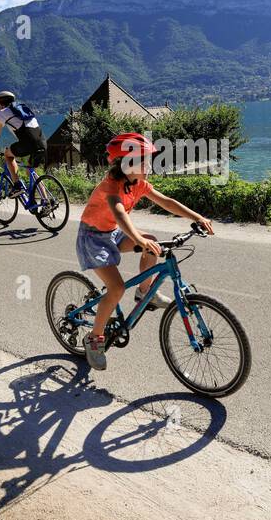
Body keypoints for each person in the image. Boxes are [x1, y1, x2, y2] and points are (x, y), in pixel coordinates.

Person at [74, 132, 213, 370]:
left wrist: (197, 217)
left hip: (112, 233)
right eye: (144, 160)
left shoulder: (138, 184)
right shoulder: (111, 186)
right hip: (92, 238)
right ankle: (94, 338)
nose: (149, 165)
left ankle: (144, 291)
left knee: (153, 245)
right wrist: (137, 238)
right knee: (116, 288)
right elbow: (119, 213)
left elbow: (166, 202)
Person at [0, 91, 47, 193]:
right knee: (31, 172)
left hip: (29, 143)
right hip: (43, 143)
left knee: (8, 155)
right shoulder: (23, 110)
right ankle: (46, 201)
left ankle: (17, 186)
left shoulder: (2, 113)